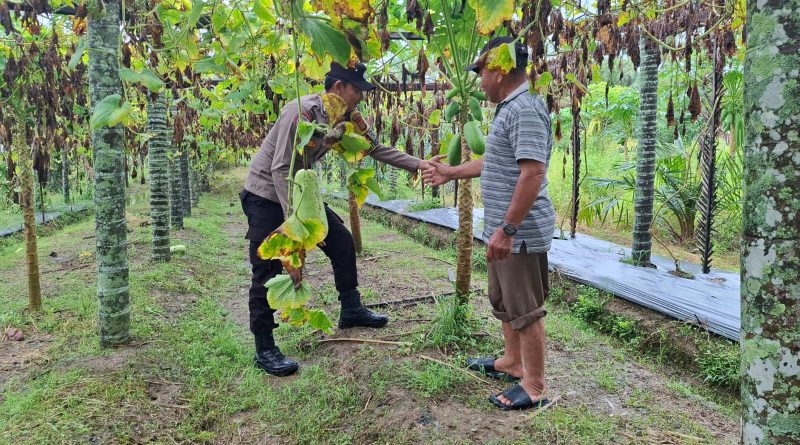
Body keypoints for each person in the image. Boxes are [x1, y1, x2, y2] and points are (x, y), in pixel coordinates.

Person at [241, 62, 432, 377]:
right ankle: (265, 347)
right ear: (339, 87)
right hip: (266, 195)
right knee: (268, 267)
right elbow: (280, 168)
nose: (360, 97)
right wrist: (294, 229)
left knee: (341, 241)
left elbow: (374, 148)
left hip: (300, 191)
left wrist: (418, 164)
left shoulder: (344, 118)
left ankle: (351, 308)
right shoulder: (301, 111)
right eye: (356, 90)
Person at [423, 37, 555, 410]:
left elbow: (532, 174)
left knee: (525, 308)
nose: (479, 81)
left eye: (481, 72)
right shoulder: (508, 108)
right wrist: (451, 172)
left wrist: (508, 229)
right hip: (503, 227)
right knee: (504, 301)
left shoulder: (525, 110)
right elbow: (495, 162)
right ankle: (512, 363)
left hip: (520, 232)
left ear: (498, 70)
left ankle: (535, 386)